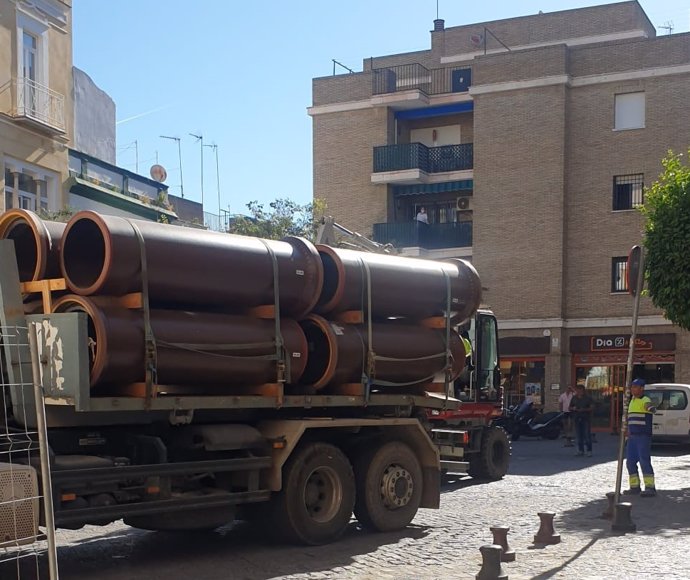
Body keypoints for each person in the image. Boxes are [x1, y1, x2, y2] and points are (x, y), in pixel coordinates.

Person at [624, 378, 657, 497]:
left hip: (643, 436)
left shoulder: (645, 399)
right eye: (632, 387)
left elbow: (652, 409)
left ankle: (650, 487)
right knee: (630, 462)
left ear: (642, 388)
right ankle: (634, 487)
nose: (633, 389)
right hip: (632, 437)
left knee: (644, 461)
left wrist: (650, 407)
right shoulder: (632, 401)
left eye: (635, 387)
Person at [569, 384, 593, 456]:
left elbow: (592, 407)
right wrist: (573, 408)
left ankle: (589, 450)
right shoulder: (574, 398)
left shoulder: (588, 398)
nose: (579, 392)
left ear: (583, 391)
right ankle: (580, 450)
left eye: (580, 390)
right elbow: (569, 407)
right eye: (577, 390)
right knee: (579, 435)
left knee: (587, 435)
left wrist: (584, 409)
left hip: (585, 418)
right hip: (577, 418)